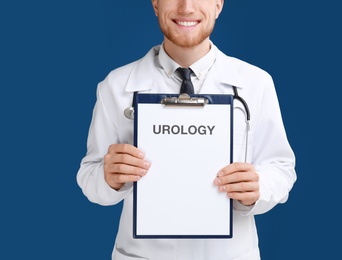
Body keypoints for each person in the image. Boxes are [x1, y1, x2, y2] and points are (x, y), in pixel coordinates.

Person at [77, 0, 297, 259]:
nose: (186, 7)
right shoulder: (115, 86)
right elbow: (88, 175)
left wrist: (258, 188)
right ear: (156, 3)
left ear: (218, 4)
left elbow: (281, 169)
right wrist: (108, 177)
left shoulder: (256, 84)